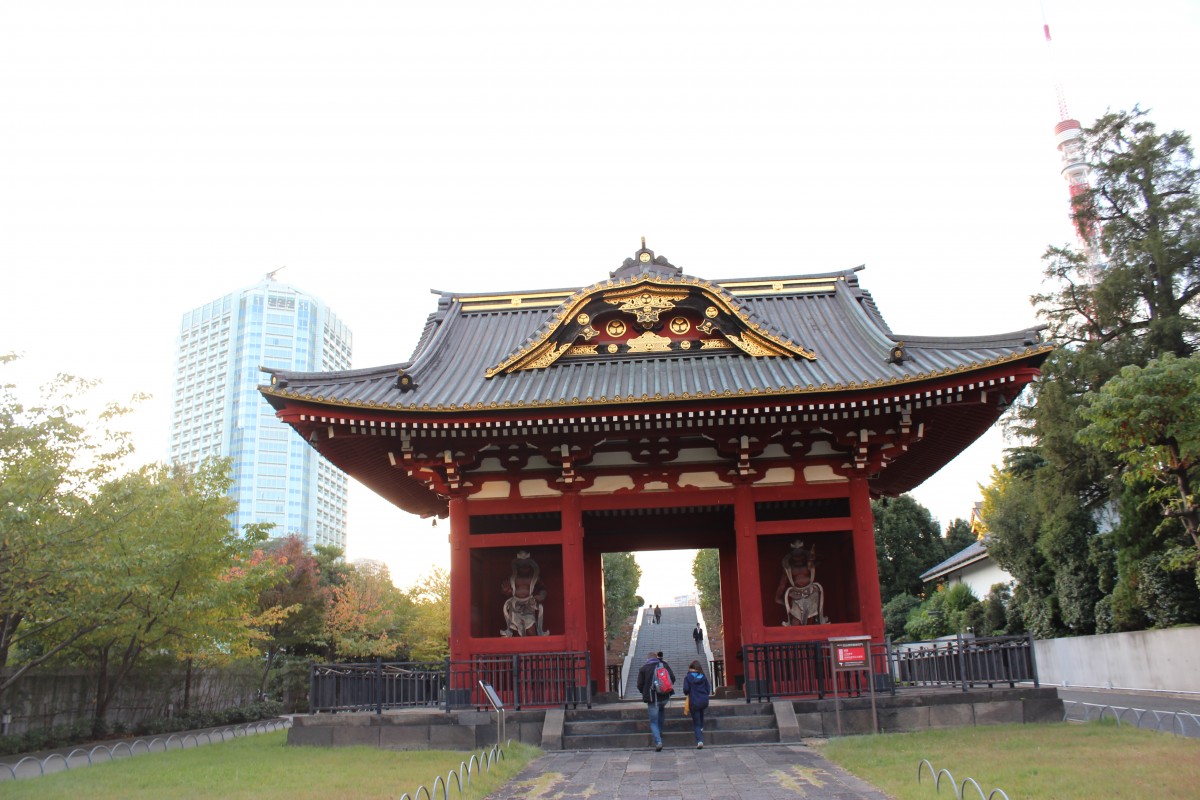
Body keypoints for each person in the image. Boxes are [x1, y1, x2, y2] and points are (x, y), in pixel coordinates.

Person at [636, 650, 675, 751]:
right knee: (661, 711)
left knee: (653, 721)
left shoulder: (644, 669)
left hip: (652, 698)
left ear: (648, 659)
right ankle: (660, 731)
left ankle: (658, 741)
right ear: (656, 658)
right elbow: (673, 678)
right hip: (664, 696)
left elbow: (639, 685)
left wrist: (644, 692)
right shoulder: (664, 665)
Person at [683, 659, 711, 749]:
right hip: (703, 701)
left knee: (696, 723)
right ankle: (702, 727)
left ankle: (699, 740)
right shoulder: (703, 676)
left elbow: (686, 690)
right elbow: (708, 688)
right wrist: (704, 695)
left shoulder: (688, 677)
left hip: (694, 701)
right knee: (701, 713)